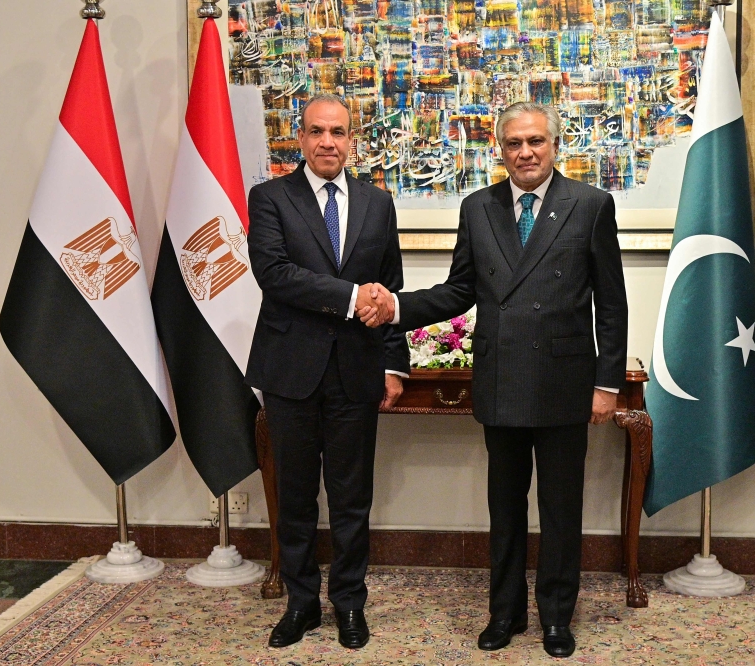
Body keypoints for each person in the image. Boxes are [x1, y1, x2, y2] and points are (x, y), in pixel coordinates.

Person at [361, 102, 628, 658]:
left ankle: (556, 616)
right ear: (499, 150)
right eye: (514, 144)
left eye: (535, 142)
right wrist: (396, 308)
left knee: (560, 509)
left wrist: (607, 383)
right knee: (504, 508)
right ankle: (503, 614)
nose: (525, 153)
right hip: (502, 380)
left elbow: (612, 304)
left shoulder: (591, 205)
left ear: (554, 145)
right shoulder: (477, 207)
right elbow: (460, 291)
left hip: (563, 382)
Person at [246, 94, 408, 650]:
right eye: (316, 131)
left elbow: (389, 290)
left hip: (357, 372)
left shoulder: (377, 203)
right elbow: (275, 274)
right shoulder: (270, 198)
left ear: (352, 138)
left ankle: (349, 604)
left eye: (338, 132)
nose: (327, 142)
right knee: (294, 496)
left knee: (351, 497)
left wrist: (394, 363)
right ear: (300, 137)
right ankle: (300, 603)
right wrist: (349, 295)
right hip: (290, 370)